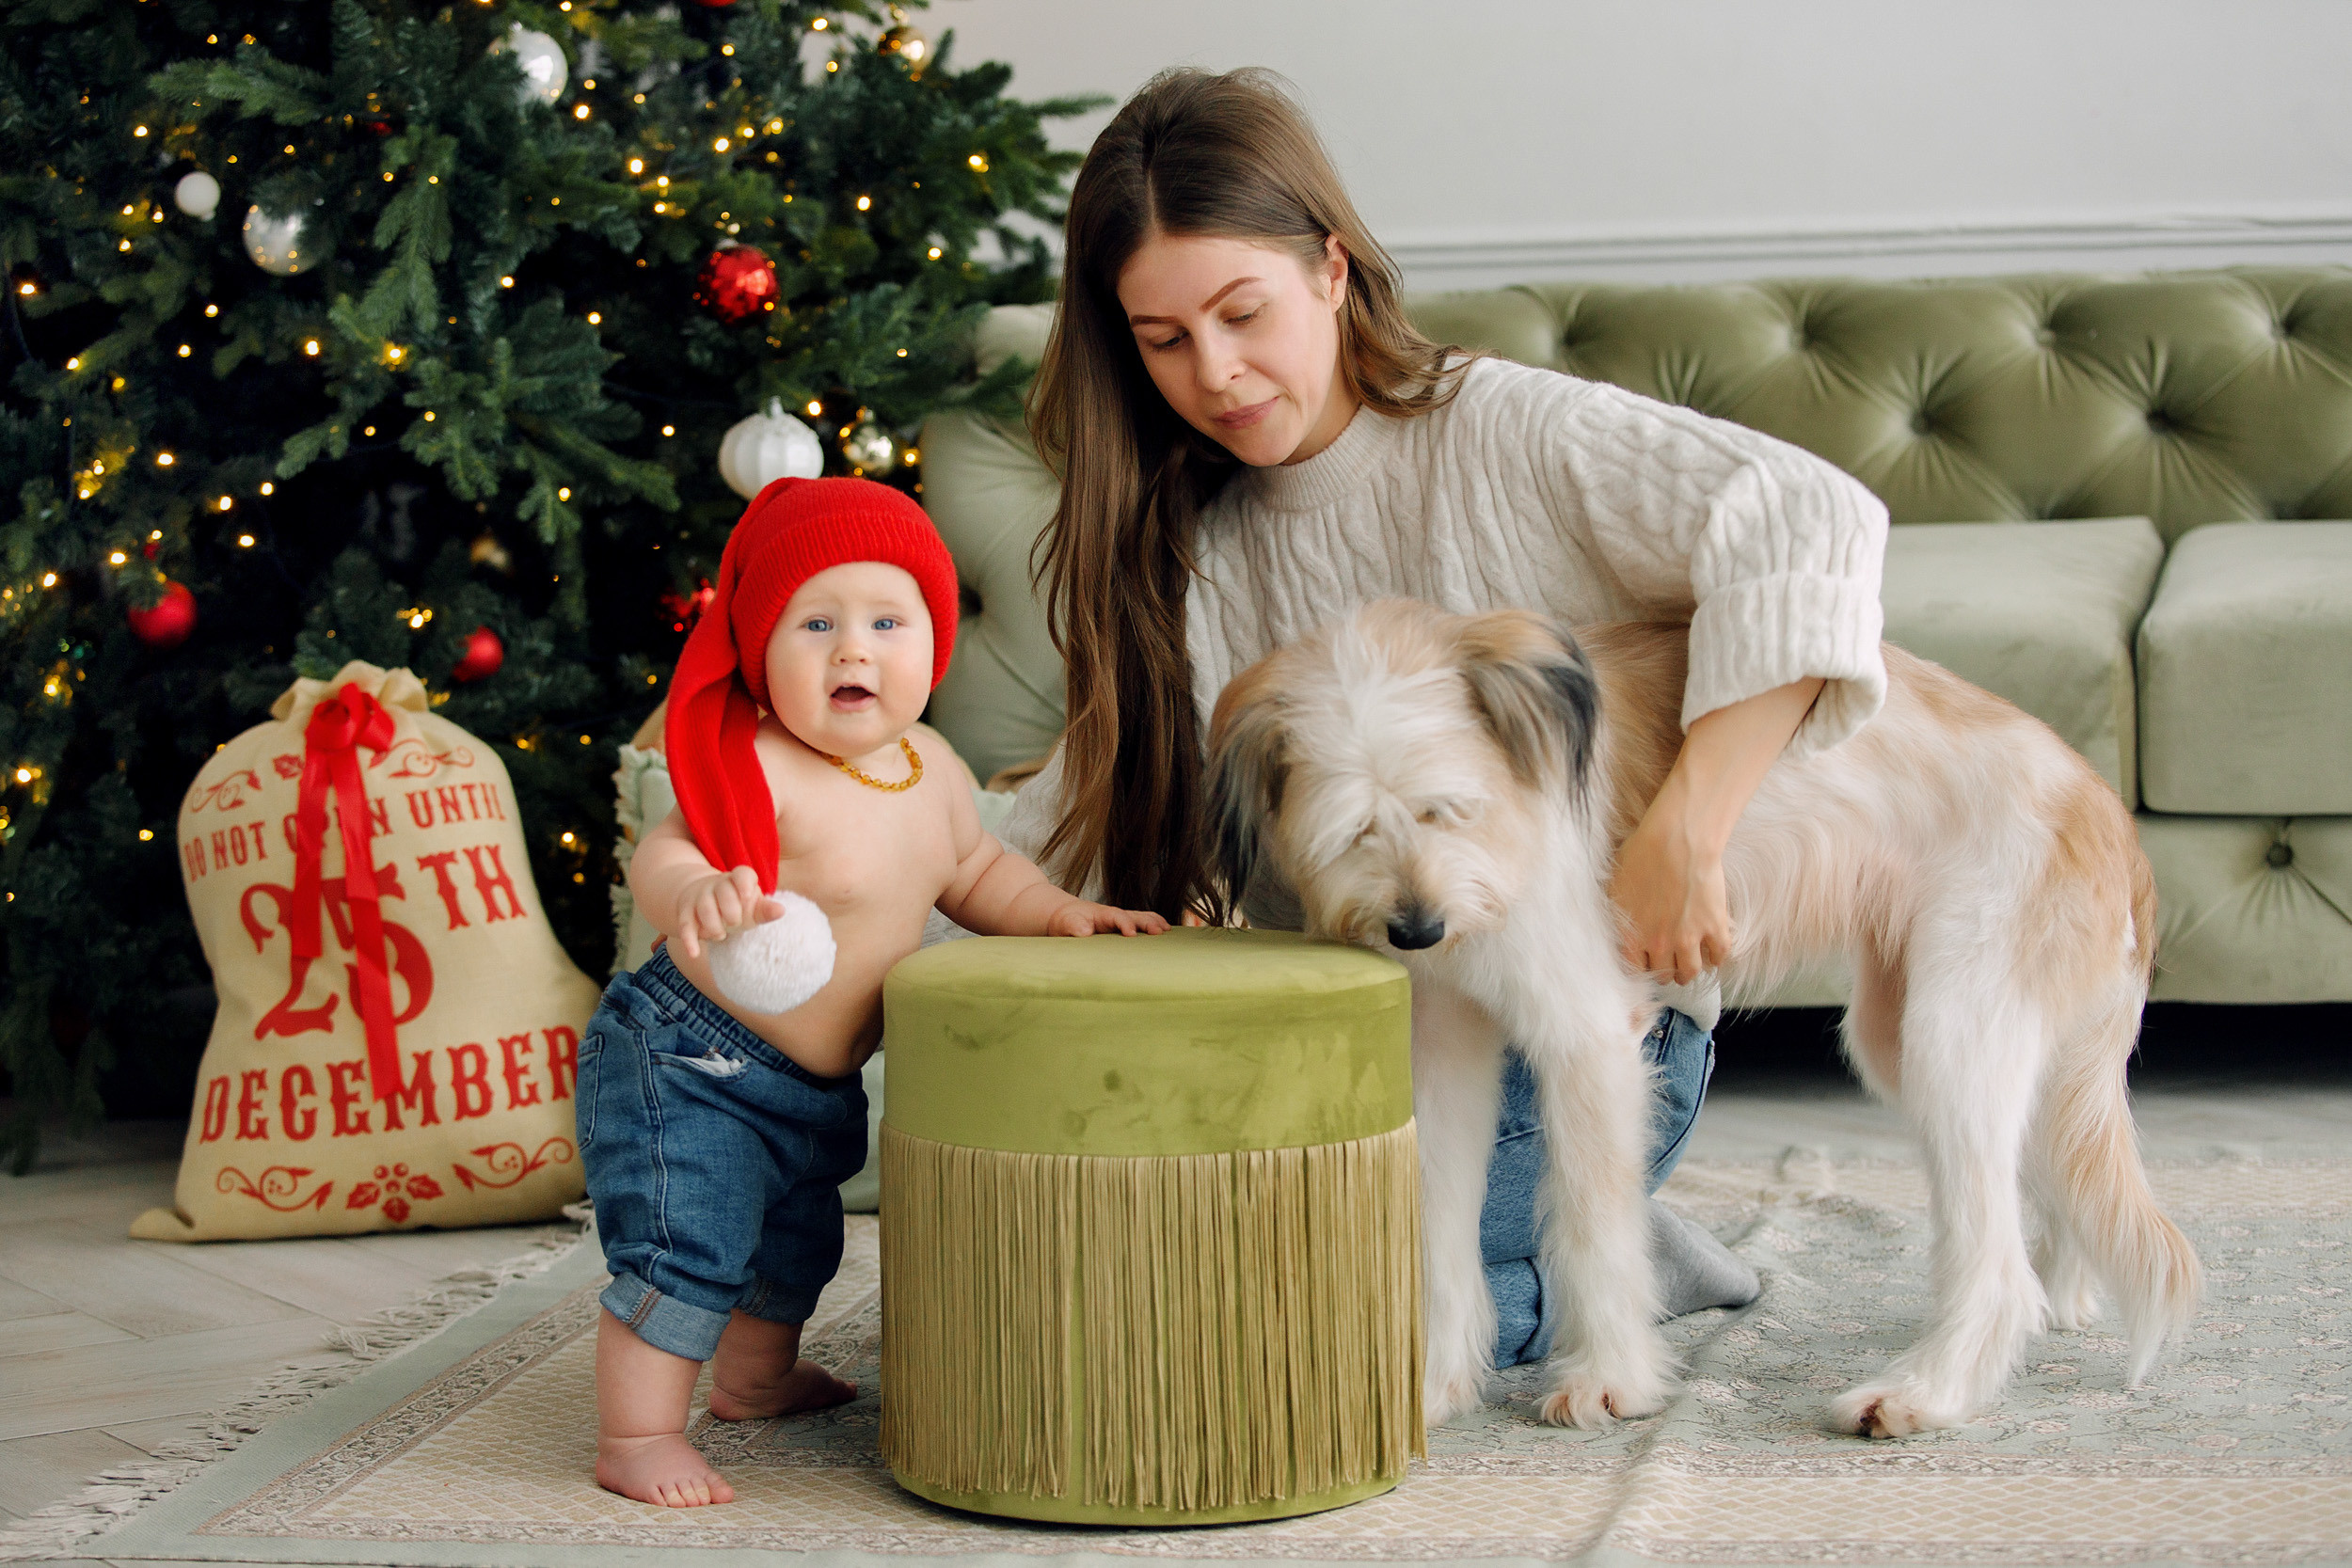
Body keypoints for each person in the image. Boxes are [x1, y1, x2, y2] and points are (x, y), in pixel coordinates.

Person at [994, 68, 1890, 1370]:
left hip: (1590, 1019)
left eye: (1243, 312)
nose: (1219, 374)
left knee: (1328, 1338)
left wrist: (1686, 831)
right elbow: (1066, 812)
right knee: (1164, 1283)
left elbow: (1814, 519)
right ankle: (1554, 1243)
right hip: (1377, 1015)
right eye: (1164, 339)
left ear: (1332, 269)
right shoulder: (1189, 543)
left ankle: (1596, 1239)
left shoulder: (1507, 432)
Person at [583, 477, 1166, 1508]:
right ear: (761, 651)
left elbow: (978, 874)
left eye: (885, 621)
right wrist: (695, 890)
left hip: (818, 1080)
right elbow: (666, 848)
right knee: (691, 1235)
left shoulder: (932, 767)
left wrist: (1061, 912)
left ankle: (755, 1381)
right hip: (691, 1054)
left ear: (930, 647)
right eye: (815, 623)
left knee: (798, 1237)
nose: (853, 649)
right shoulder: (757, 761)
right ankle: (636, 1432)